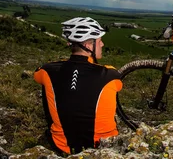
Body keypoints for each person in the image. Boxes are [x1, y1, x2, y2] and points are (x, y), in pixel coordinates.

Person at [34, 17, 123, 154]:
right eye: (99, 41)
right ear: (88, 45)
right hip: (102, 148)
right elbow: (119, 85)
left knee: (49, 84)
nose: (102, 44)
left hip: (62, 147)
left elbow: (37, 75)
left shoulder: (47, 70)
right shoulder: (110, 75)